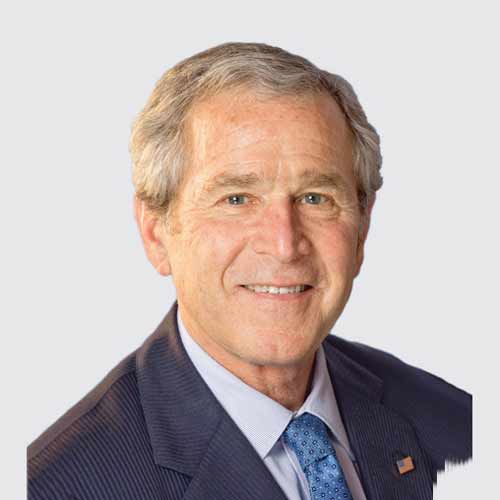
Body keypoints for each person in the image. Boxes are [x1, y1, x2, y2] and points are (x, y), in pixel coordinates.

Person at [27, 42, 472, 500]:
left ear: (362, 228)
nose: (284, 245)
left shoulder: (459, 425)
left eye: (315, 198)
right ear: (156, 231)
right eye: (236, 199)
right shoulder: (56, 487)